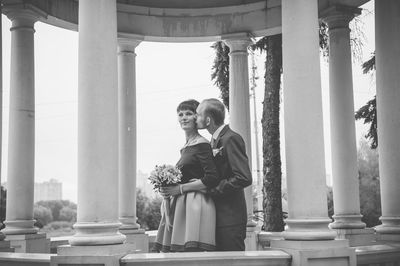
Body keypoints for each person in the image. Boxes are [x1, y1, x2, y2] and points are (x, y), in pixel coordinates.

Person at [155, 99, 221, 252]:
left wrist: (180, 189)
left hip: (194, 205)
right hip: (181, 205)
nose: (183, 117)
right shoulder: (185, 147)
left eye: (188, 114)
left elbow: (212, 177)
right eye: (180, 114)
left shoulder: (202, 144)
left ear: (196, 117)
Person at [195, 98, 252, 251]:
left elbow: (243, 177)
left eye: (198, 114)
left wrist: (212, 191)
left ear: (208, 120)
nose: (195, 118)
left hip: (230, 219)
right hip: (217, 216)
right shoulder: (213, 141)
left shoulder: (231, 138)